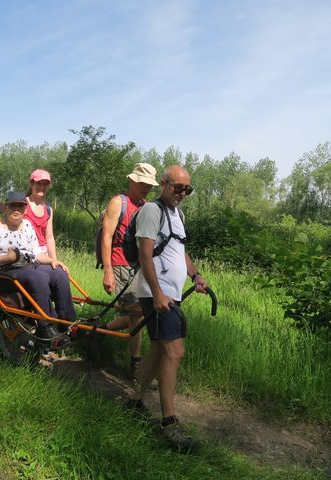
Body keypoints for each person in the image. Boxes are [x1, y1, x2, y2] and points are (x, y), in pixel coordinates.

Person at [127, 165, 208, 451]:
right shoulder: (152, 210)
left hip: (170, 294)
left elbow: (179, 251)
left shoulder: (178, 214)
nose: (182, 193)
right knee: (175, 350)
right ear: (163, 184)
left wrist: (196, 275)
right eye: (177, 187)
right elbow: (145, 254)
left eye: (187, 189)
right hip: (156, 294)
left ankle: (135, 401)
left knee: (159, 349)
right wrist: (158, 293)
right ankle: (170, 422)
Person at [0, 191, 75, 348]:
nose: (17, 209)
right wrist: (8, 258)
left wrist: (53, 260)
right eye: (12, 205)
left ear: (25, 209)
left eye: (21, 206)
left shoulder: (27, 225)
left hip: (28, 266)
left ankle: (67, 324)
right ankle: (46, 329)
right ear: (6, 207)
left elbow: (36, 253)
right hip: (4, 272)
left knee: (59, 273)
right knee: (38, 278)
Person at [100, 163, 158, 379]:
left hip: (142, 267)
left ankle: (98, 330)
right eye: (143, 184)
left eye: (149, 185)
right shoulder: (118, 202)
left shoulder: (147, 205)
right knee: (136, 313)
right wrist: (108, 271)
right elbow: (107, 236)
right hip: (121, 264)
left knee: (141, 313)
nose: (146, 188)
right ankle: (135, 366)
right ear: (133, 181)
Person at [24, 169, 61, 262]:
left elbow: (49, 237)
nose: (42, 187)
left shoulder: (48, 210)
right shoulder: (22, 204)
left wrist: (54, 260)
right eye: (39, 183)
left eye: (45, 184)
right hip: (26, 251)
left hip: (43, 253)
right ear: (31, 184)